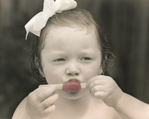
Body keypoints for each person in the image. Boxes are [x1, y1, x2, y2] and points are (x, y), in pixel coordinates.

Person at [12, 0, 149, 119]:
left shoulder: (109, 105)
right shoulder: (34, 106)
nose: (72, 70)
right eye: (60, 59)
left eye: (85, 58)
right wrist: (30, 115)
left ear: (102, 63)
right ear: (40, 66)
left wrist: (120, 99)